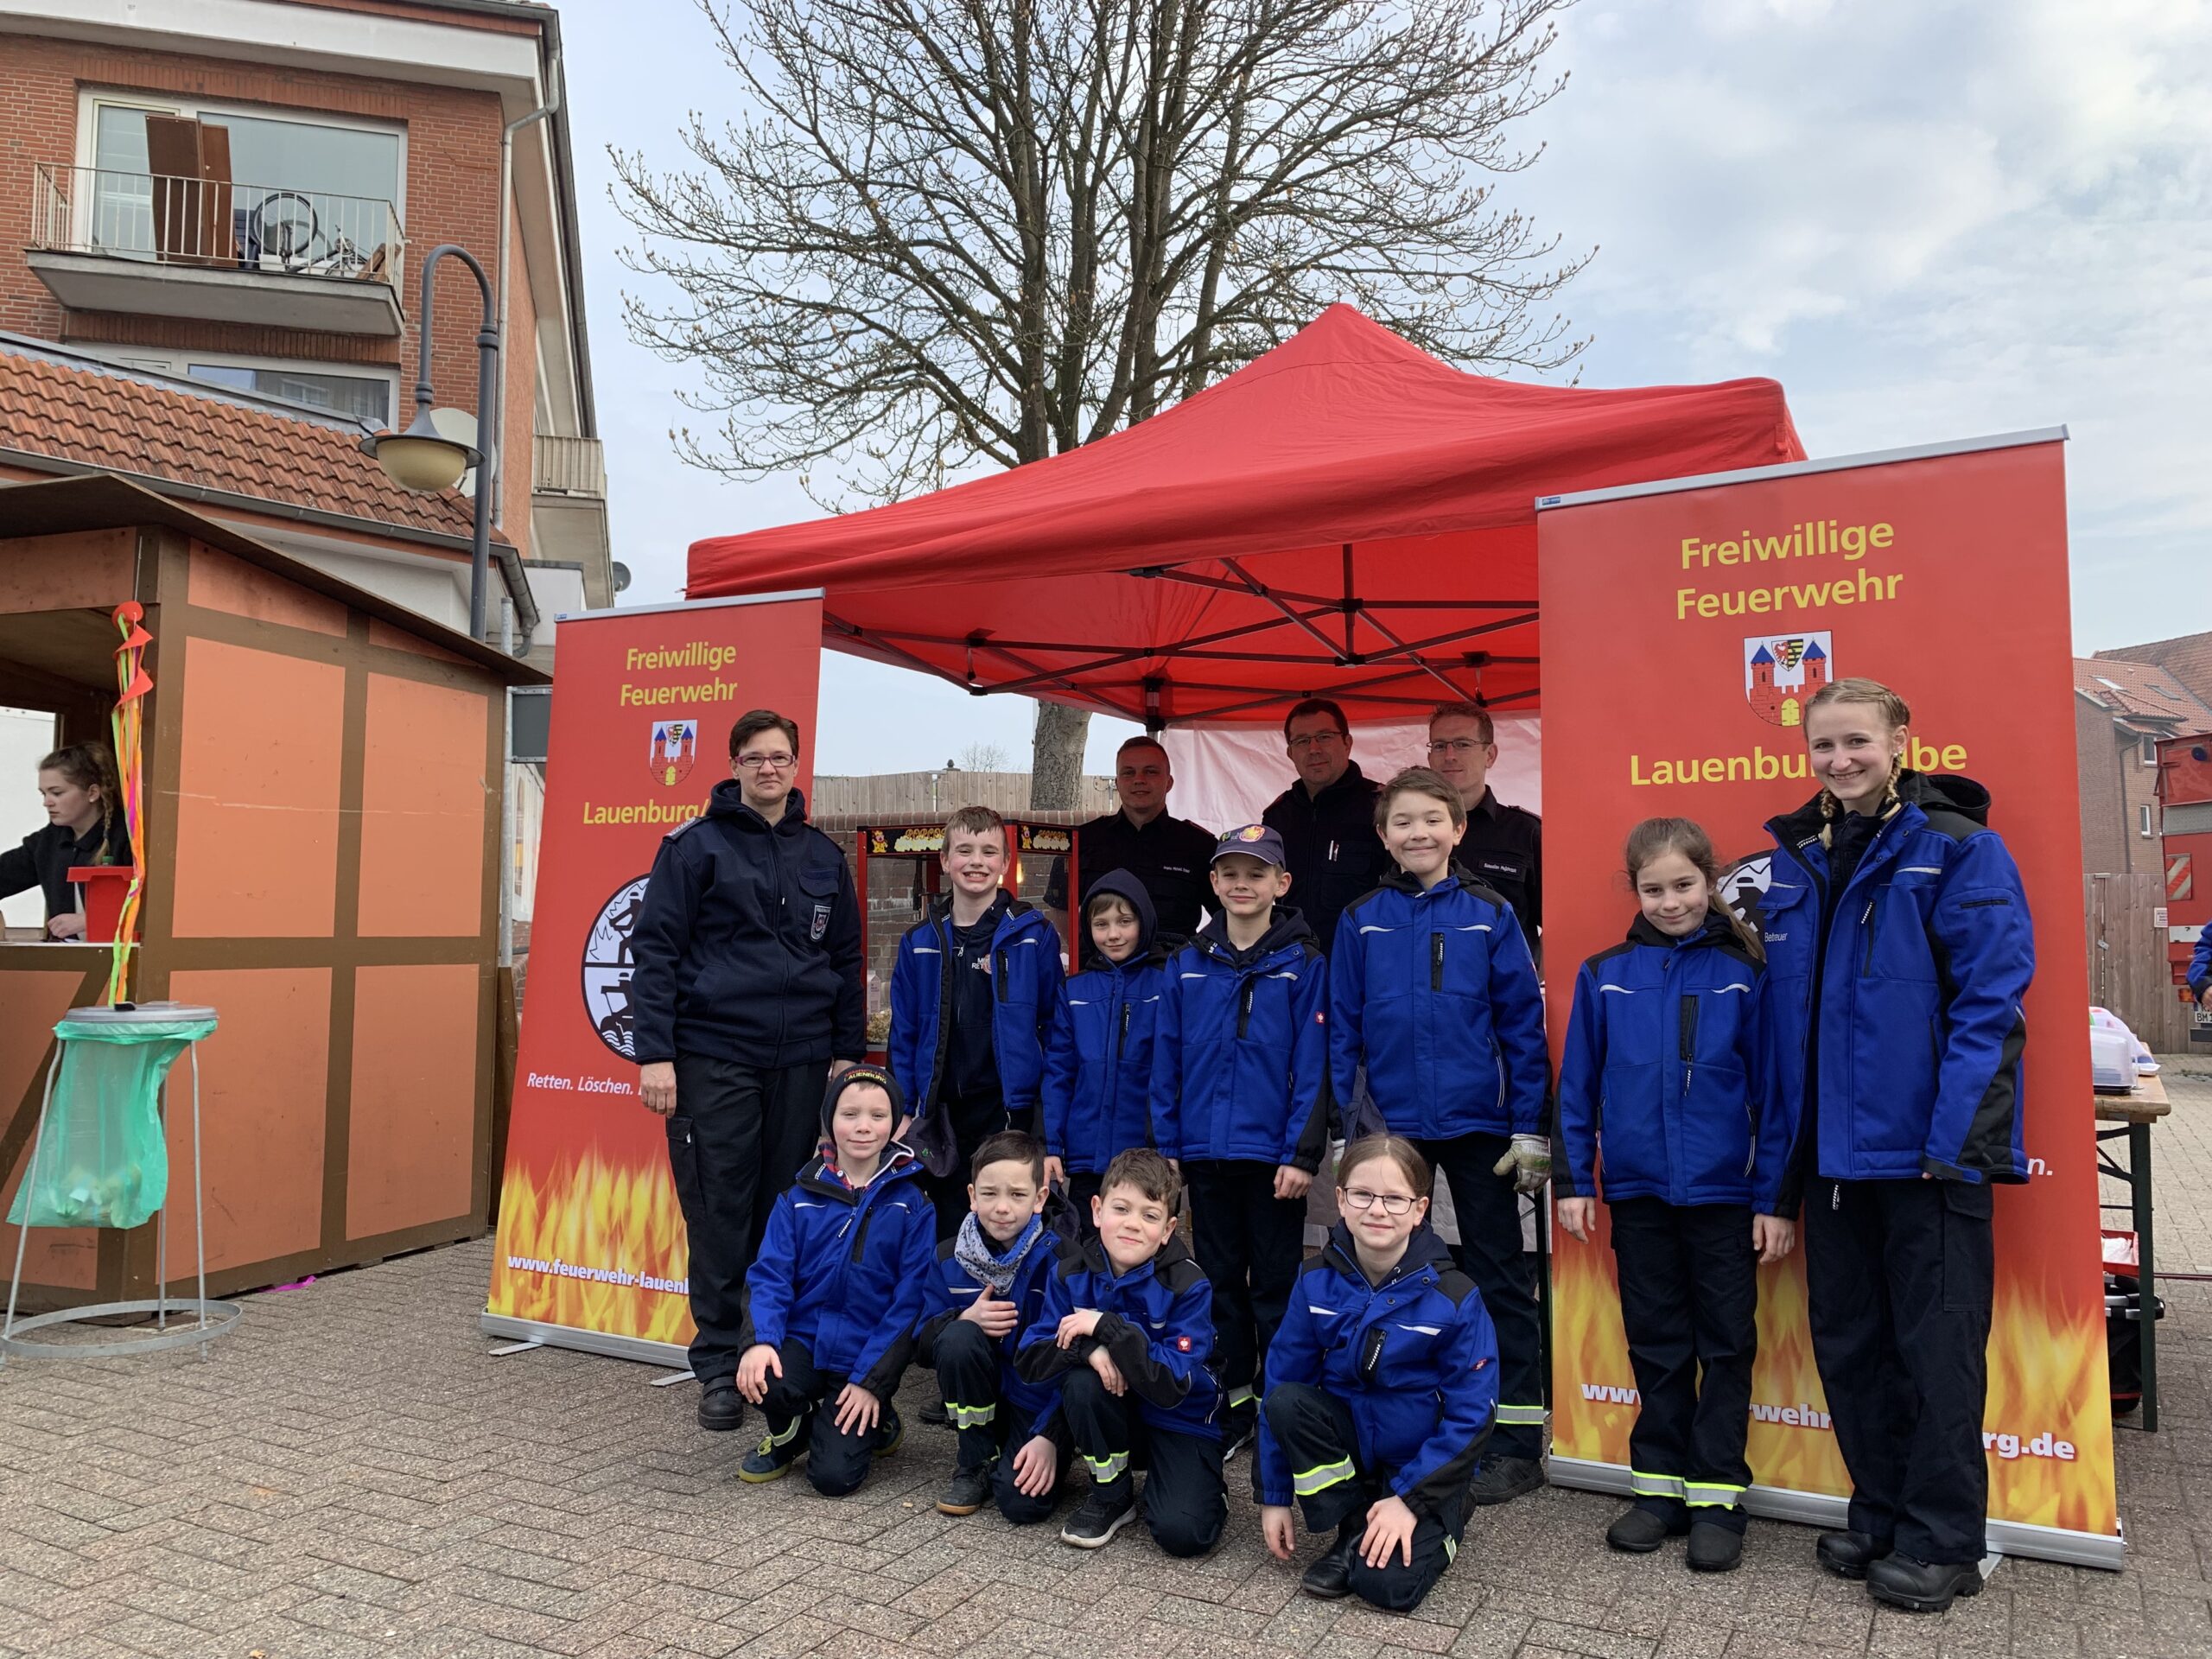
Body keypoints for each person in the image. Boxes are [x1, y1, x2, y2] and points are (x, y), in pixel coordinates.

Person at [1760, 677, 2034, 1614]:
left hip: (1926, 1161)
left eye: (1856, 742)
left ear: (1900, 740)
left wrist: (1951, 1144)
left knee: (1937, 1352)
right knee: (1851, 1345)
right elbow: (1793, 1026)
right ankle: (1879, 1511)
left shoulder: (1959, 850)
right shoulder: (1798, 860)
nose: (1839, 761)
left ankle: (1944, 1539)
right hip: (1835, 1162)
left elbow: (1990, 1008)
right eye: (1822, 745)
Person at [1554, 817, 1796, 1572]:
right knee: (1656, 1342)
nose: (1669, 902)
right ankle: (1657, 1487)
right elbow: (1578, 1087)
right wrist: (1572, 1181)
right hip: (1638, 1191)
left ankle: (1718, 1493)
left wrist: (1775, 1200)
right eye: (1653, 889)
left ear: (1709, 883)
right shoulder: (1605, 974)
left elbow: (1775, 1098)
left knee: (1725, 1345)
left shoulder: (1745, 973)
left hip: (1725, 1194)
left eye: (1684, 886)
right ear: (1635, 890)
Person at [629, 709, 866, 1435]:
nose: (770, 768)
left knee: (784, 1216)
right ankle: (719, 1369)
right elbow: (657, 954)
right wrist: (656, 1054)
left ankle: (773, 1357)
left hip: (800, 1063)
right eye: (756, 757)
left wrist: (847, 1052)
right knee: (721, 1212)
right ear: (734, 764)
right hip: (714, 1060)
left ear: (798, 767)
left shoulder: (824, 857)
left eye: (782, 757)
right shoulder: (693, 849)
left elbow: (847, 960)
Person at [1327, 769, 1552, 1505]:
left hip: (1480, 1126)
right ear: (1384, 835)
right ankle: (1402, 1423)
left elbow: (1523, 1029)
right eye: (1402, 823)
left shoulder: (1492, 914)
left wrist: (1531, 1128)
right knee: (1395, 1278)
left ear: (1458, 829)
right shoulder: (1361, 918)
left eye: (1432, 820)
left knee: (1498, 1277)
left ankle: (1516, 1439)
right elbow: (1345, 1034)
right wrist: (1345, 1130)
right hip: (1393, 1133)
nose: (1417, 833)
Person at [1256, 1135, 1498, 1611]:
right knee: (1287, 1402)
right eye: (1363, 1195)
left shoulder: (1455, 1297)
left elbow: (1473, 1416)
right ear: (1341, 1201)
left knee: (1387, 1588)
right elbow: (1281, 1385)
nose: (1378, 1210)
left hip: (1421, 1465)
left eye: (1395, 1199)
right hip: (1357, 1450)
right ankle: (1353, 1527)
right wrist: (1274, 1494)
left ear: (1419, 1209)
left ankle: (1448, 1515)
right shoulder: (1314, 1281)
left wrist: (1410, 1500)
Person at [1153, 824, 1331, 1459]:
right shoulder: (1186, 964)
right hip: (1204, 1153)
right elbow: (1166, 1060)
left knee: (1275, 1288)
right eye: (1230, 874)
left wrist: (1300, 1154)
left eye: (1256, 874)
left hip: (1273, 1161)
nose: (1241, 885)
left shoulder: (1305, 964)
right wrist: (1169, 1143)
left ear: (1281, 884)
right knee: (1220, 1281)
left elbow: (1316, 1066)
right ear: (1213, 885)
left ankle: (1277, 1400)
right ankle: (1232, 1404)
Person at [1015, 1147, 1227, 1554]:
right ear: (1097, 1210)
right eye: (1122, 1209)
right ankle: (1112, 1495)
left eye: (1149, 1216)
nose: (1132, 1225)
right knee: (1080, 1382)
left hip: (1177, 1416)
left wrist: (1107, 1328)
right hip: (1113, 1408)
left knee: (1184, 1534)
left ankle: (1204, 1484)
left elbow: (1170, 1385)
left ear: (1167, 1230)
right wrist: (1088, 1350)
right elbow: (1031, 1357)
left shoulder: (1190, 1285)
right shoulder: (1071, 1272)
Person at [734, 1066, 936, 1495]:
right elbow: (769, 1276)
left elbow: (910, 1302)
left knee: (832, 1479)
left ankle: (878, 1418)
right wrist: (761, 1342)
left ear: (896, 1124)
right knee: (763, 1375)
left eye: (878, 1116)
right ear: (830, 1121)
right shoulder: (797, 1198)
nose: (863, 1126)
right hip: (806, 1341)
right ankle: (790, 1433)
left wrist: (871, 1383)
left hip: (864, 1352)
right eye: (850, 1114)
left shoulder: (912, 1204)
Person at [889, 805, 1065, 1236]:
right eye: (964, 851)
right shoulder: (919, 941)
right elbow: (905, 1035)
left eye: (989, 852)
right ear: (945, 860)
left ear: (1006, 864)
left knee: (1007, 1226)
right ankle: (958, 1306)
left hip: (1006, 1110)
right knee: (949, 1228)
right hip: (941, 1117)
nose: (976, 862)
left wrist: (1049, 1132)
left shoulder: (1033, 935)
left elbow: (1057, 1035)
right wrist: (903, 1113)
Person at [917, 1130, 1073, 1521]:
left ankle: (1042, 1452)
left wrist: (1050, 1436)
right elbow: (920, 1343)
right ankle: (974, 1461)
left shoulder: (1065, 1262)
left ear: (1040, 1199)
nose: (1002, 1207)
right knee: (958, 1338)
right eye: (989, 1194)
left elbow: (1075, 1360)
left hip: (1037, 1407)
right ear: (972, 1195)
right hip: (981, 1396)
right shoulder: (947, 1257)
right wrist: (962, 1318)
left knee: (1021, 1506)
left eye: (1017, 1195)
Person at [1040, 872, 1172, 1226]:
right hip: (1085, 1155)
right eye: (1101, 924)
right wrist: (1052, 1145)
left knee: (1140, 1246)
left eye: (1124, 922)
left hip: (1145, 1154)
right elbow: (1059, 1072)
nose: (1113, 934)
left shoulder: (1166, 985)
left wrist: (1170, 1146)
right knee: (1084, 1251)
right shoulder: (1074, 990)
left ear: (1143, 922)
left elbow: (1174, 1072)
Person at [1043, 735, 1216, 952]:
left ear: (1169, 782)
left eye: (1151, 771)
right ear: (1117, 782)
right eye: (1128, 772)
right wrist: (1089, 949)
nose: (1139, 779)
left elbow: (1227, 913)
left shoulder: (1199, 846)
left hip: (1173, 976)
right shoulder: (1082, 841)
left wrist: (1198, 952)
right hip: (1101, 974)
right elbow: (1061, 909)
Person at [1262, 698, 1385, 953]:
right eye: (1302, 740)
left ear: (1347, 743)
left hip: (1362, 963)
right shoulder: (1277, 816)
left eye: (1324, 737)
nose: (1314, 749)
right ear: (1290, 752)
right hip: (1293, 962)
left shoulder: (1384, 808)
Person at [1424, 701, 1542, 946]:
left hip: (1498, 983)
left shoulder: (1525, 833)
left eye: (1463, 744)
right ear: (1429, 756)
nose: (1449, 755)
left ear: (1490, 755)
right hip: (1421, 981)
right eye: (1439, 746)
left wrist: (1527, 973)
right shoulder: (1406, 832)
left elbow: (1559, 921)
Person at [0, 743, 130, 941]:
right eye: (44, 794)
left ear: (92, 793)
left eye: (57, 793)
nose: (47, 802)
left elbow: (152, 906)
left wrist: (89, 921)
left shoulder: (128, 838)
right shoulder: (47, 841)